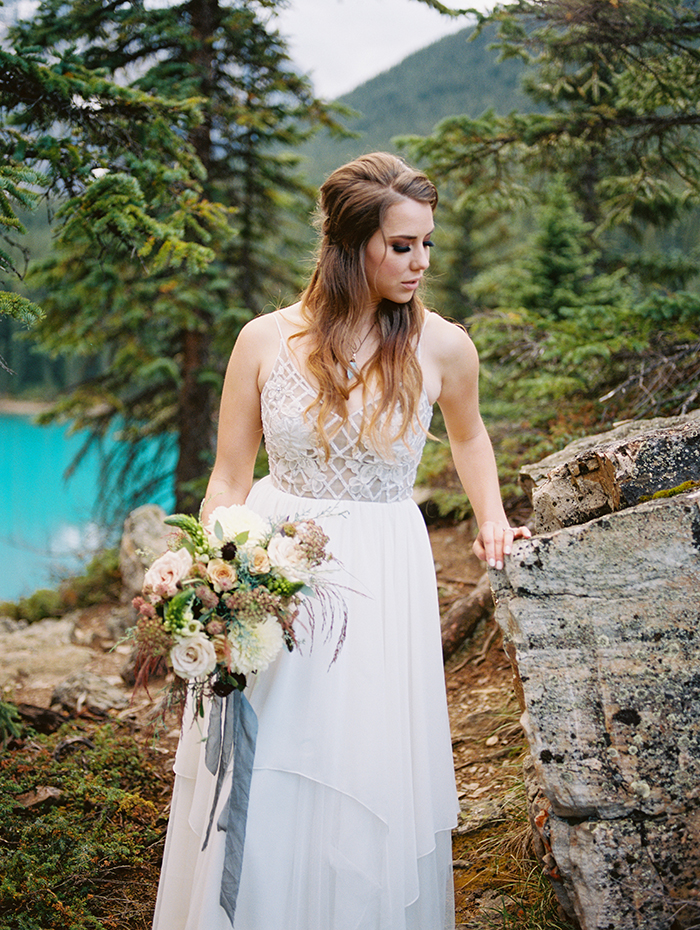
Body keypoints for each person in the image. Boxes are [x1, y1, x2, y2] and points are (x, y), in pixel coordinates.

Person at [151, 152, 531, 930]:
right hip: (276, 565)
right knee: (277, 750)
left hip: (385, 573)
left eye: (429, 243)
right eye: (402, 246)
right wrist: (213, 571)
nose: (421, 262)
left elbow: (470, 435)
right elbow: (228, 478)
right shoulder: (262, 341)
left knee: (360, 760)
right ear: (350, 245)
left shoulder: (444, 346)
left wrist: (490, 515)